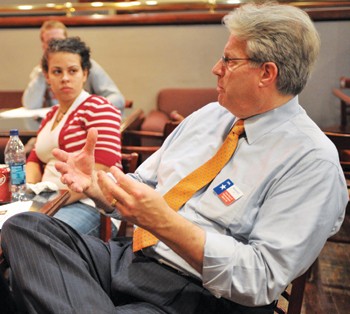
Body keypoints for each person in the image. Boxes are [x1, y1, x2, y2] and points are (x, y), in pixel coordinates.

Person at [1, 3, 348, 313]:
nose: (216, 68)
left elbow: (260, 278)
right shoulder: (209, 117)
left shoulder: (312, 162)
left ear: (266, 73)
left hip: (201, 294)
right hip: (132, 258)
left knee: (21, 289)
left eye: (229, 60)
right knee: (25, 228)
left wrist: (164, 222)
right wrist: (96, 186)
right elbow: (139, 187)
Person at [25, 36, 122, 237]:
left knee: (34, 237)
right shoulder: (51, 115)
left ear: (85, 74)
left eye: (73, 71)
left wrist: (51, 202)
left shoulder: (99, 107)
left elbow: (101, 171)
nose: (65, 78)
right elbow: (34, 160)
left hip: (91, 205)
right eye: (57, 71)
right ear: (47, 76)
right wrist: (29, 193)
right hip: (48, 204)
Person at [22, 20, 125, 113]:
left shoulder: (86, 65)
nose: (56, 46)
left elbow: (117, 98)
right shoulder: (41, 71)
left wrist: (88, 109)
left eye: (73, 71)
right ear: (43, 46)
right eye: (51, 43)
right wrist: (42, 71)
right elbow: (30, 106)